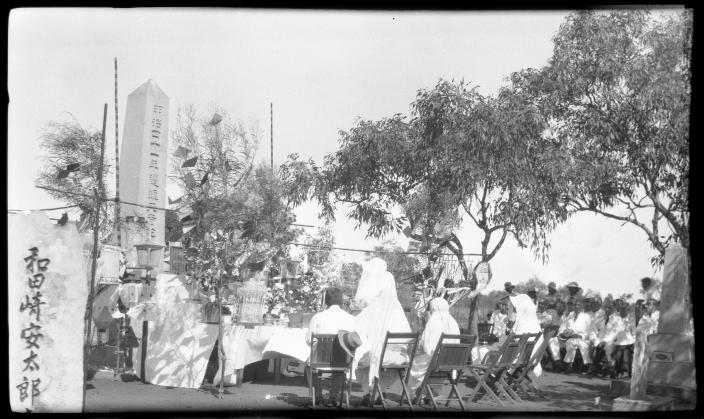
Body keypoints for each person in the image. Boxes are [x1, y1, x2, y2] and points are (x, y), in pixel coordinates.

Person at [352, 257, 411, 406]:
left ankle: (367, 393)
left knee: (363, 357)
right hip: (398, 359)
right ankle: (381, 391)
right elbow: (408, 338)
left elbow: (357, 331)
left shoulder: (370, 311)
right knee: (377, 357)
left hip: (378, 357)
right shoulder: (399, 314)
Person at [306, 287, 357, 406]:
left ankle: (317, 396)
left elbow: (309, 341)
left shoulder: (317, 317)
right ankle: (333, 397)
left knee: (309, 364)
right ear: (340, 301)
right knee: (339, 369)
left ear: (326, 301)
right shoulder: (351, 319)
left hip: (320, 360)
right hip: (343, 361)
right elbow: (354, 342)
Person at [407, 297, 461, 395]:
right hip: (451, 362)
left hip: (436, 361)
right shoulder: (453, 322)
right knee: (426, 361)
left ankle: (414, 394)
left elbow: (427, 348)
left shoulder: (434, 322)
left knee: (416, 363)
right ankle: (431, 393)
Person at [505, 283, 545, 380]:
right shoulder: (536, 326)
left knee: (487, 353)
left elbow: (512, 345)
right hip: (530, 360)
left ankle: (495, 378)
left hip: (517, 362)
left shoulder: (522, 326)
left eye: (516, 308)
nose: (514, 309)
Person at [549, 299, 595, 374]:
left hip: (580, 338)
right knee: (552, 340)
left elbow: (590, 331)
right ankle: (558, 363)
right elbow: (563, 326)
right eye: (575, 305)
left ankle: (569, 366)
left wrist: (579, 335)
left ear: (582, 306)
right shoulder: (570, 315)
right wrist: (563, 333)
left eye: (578, 305)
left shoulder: (587, 317)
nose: (576, 306)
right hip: (567, 337)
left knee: (571, 342)